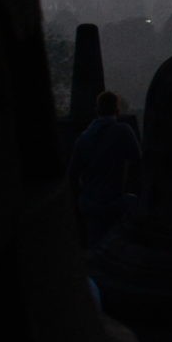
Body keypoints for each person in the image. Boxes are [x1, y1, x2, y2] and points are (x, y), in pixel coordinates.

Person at [67, 91, 139, 250]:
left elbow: (72, 175)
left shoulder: (83, 138)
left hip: (90, 204)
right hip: (114, 203)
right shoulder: (123, 131)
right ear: (117, 110)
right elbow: (138, 162)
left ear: (96, 110)